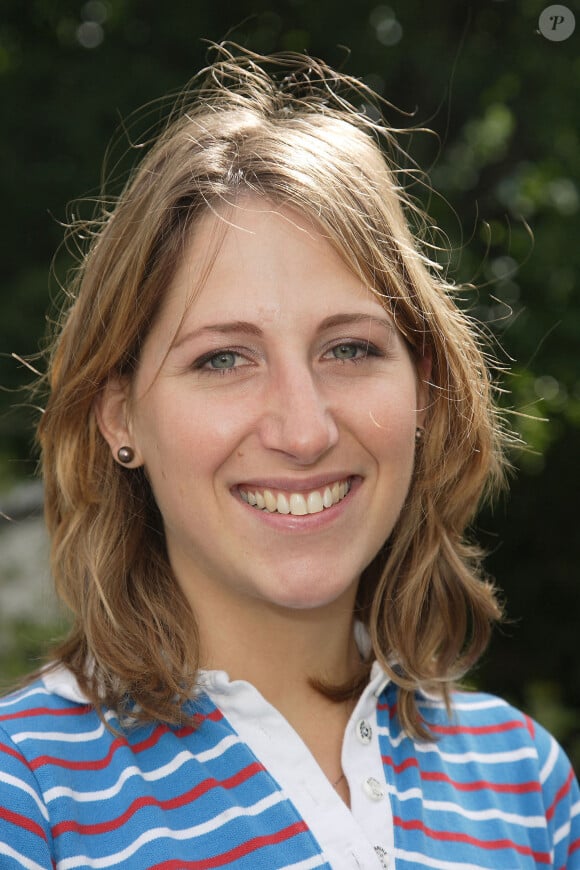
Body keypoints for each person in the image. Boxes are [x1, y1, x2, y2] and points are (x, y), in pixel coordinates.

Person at [0, 45, 578, 870]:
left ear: (423, 386)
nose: (303, 432)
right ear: (119, 414)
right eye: (223, 359)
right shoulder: (27, 796)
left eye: (348, 349)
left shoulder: (527, 785)